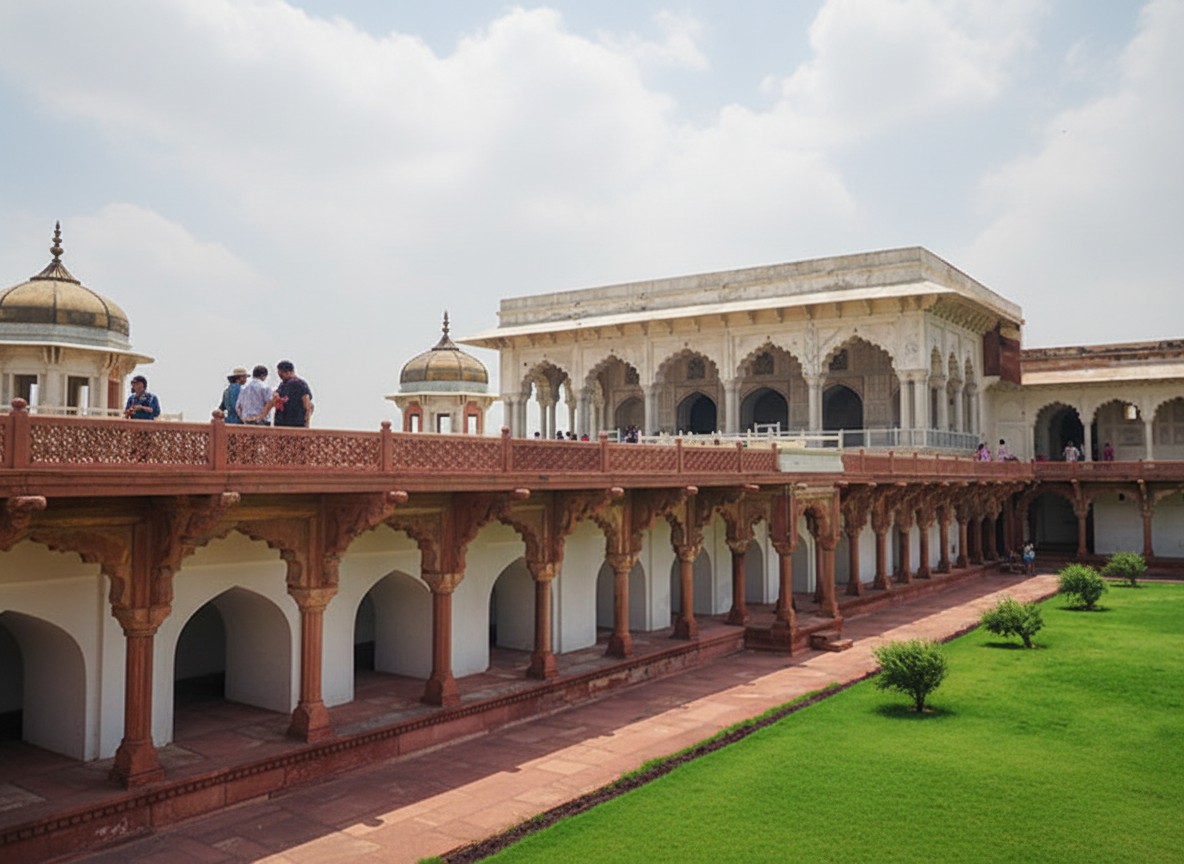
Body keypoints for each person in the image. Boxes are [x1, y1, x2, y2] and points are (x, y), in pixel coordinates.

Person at [272, 360, 314, 428]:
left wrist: (307, 424)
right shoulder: (282, 385)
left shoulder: (299, 384)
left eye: (281, 374)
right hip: (282, 423)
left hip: (296, 423)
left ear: (287, 372)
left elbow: (307, 405)